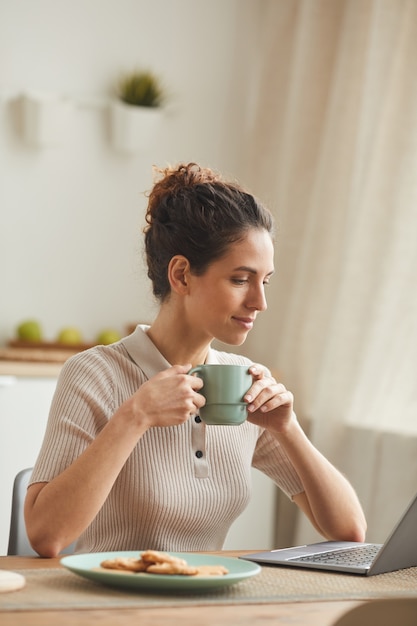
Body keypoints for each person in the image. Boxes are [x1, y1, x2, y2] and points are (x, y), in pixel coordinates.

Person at [25, 163, 366, 557]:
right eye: (241, 279)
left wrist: (288, 429)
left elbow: (349, 530)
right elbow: (46, 537)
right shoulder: (95, 374)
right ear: (182, 275)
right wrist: (135, 416)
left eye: (265, 281)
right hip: (111, 607)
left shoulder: (242, 384)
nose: (260, 302)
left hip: (206, 605)